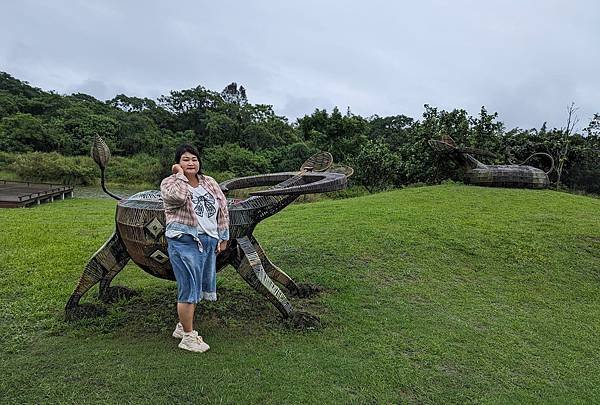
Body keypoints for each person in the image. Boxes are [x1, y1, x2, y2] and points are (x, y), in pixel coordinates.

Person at [160, 144, 229, 352]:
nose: (191, 163)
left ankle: (182, 327)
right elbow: (178, 198)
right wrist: (180, 176)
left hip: (207, 240)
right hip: (184, 240)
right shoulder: (169, 183)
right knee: (189, 287)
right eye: (185, 159)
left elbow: (223, 208)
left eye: (194, 159)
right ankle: (188, 338)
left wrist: (223, 236)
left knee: (196, 286)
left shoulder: (209, 182)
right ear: (177, 163)